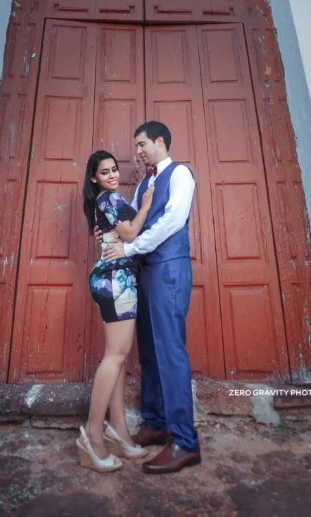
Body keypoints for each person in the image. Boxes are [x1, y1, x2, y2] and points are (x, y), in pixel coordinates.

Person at [101, 121, 201, 474]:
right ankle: (156, 423)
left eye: (142, 144)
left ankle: (185, 442)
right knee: (148, 351)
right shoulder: (144, 184)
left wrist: (130, 248)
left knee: (169, 351)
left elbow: (173, 220)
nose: (138, 152)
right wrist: (108, 228)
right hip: (144, 273)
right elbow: (130, 223)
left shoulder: (181, 174)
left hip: (168, 270)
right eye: (136, 146)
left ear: (160, 141)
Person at [77, 149, 154, 473]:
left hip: (115, 280)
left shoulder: (105, 202)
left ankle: (118, 429)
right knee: (116, 356)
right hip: (115, 281)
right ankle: (92, 435)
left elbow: (118, 233)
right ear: (94, 178)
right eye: (104, 172)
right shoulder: (109, 199)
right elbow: (130, 233)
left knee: (118, 357)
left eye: (114, 170)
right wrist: (146, 204)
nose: (112, 175)